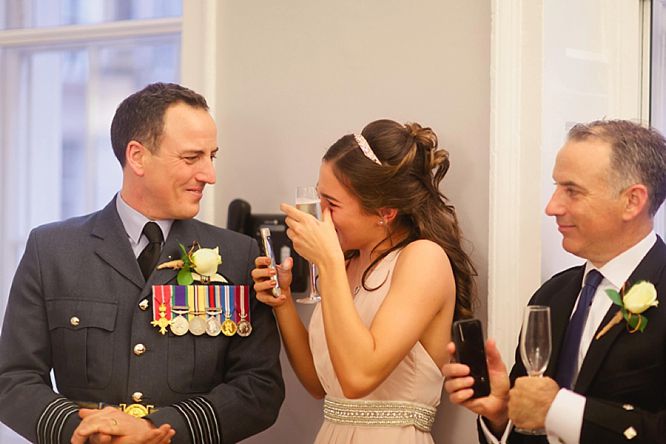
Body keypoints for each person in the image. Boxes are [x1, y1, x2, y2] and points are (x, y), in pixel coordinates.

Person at [0, 82, 284, 444]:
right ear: (137, 157)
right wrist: (85, 431)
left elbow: (260, 389)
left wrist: (158, 429)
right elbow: (13, 379)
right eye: (191, 157)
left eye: (212, 156)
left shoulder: (239, 255)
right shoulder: (52, 249)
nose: (209, 175)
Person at [252, 119, 477, 443]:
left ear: (384, 212)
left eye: (333, 205)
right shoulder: (347, 264)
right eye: (319, 199)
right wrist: (282, 300)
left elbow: (359, 376)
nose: (321, 216)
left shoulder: (423, 259)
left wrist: (327, 263)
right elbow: (321, 383)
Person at [443, 119, 666, 443]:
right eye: (556, 188)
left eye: (572, 191)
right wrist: (501, 413)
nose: (552, 207)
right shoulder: (551, 295)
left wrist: (557, 409)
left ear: (632, 201)